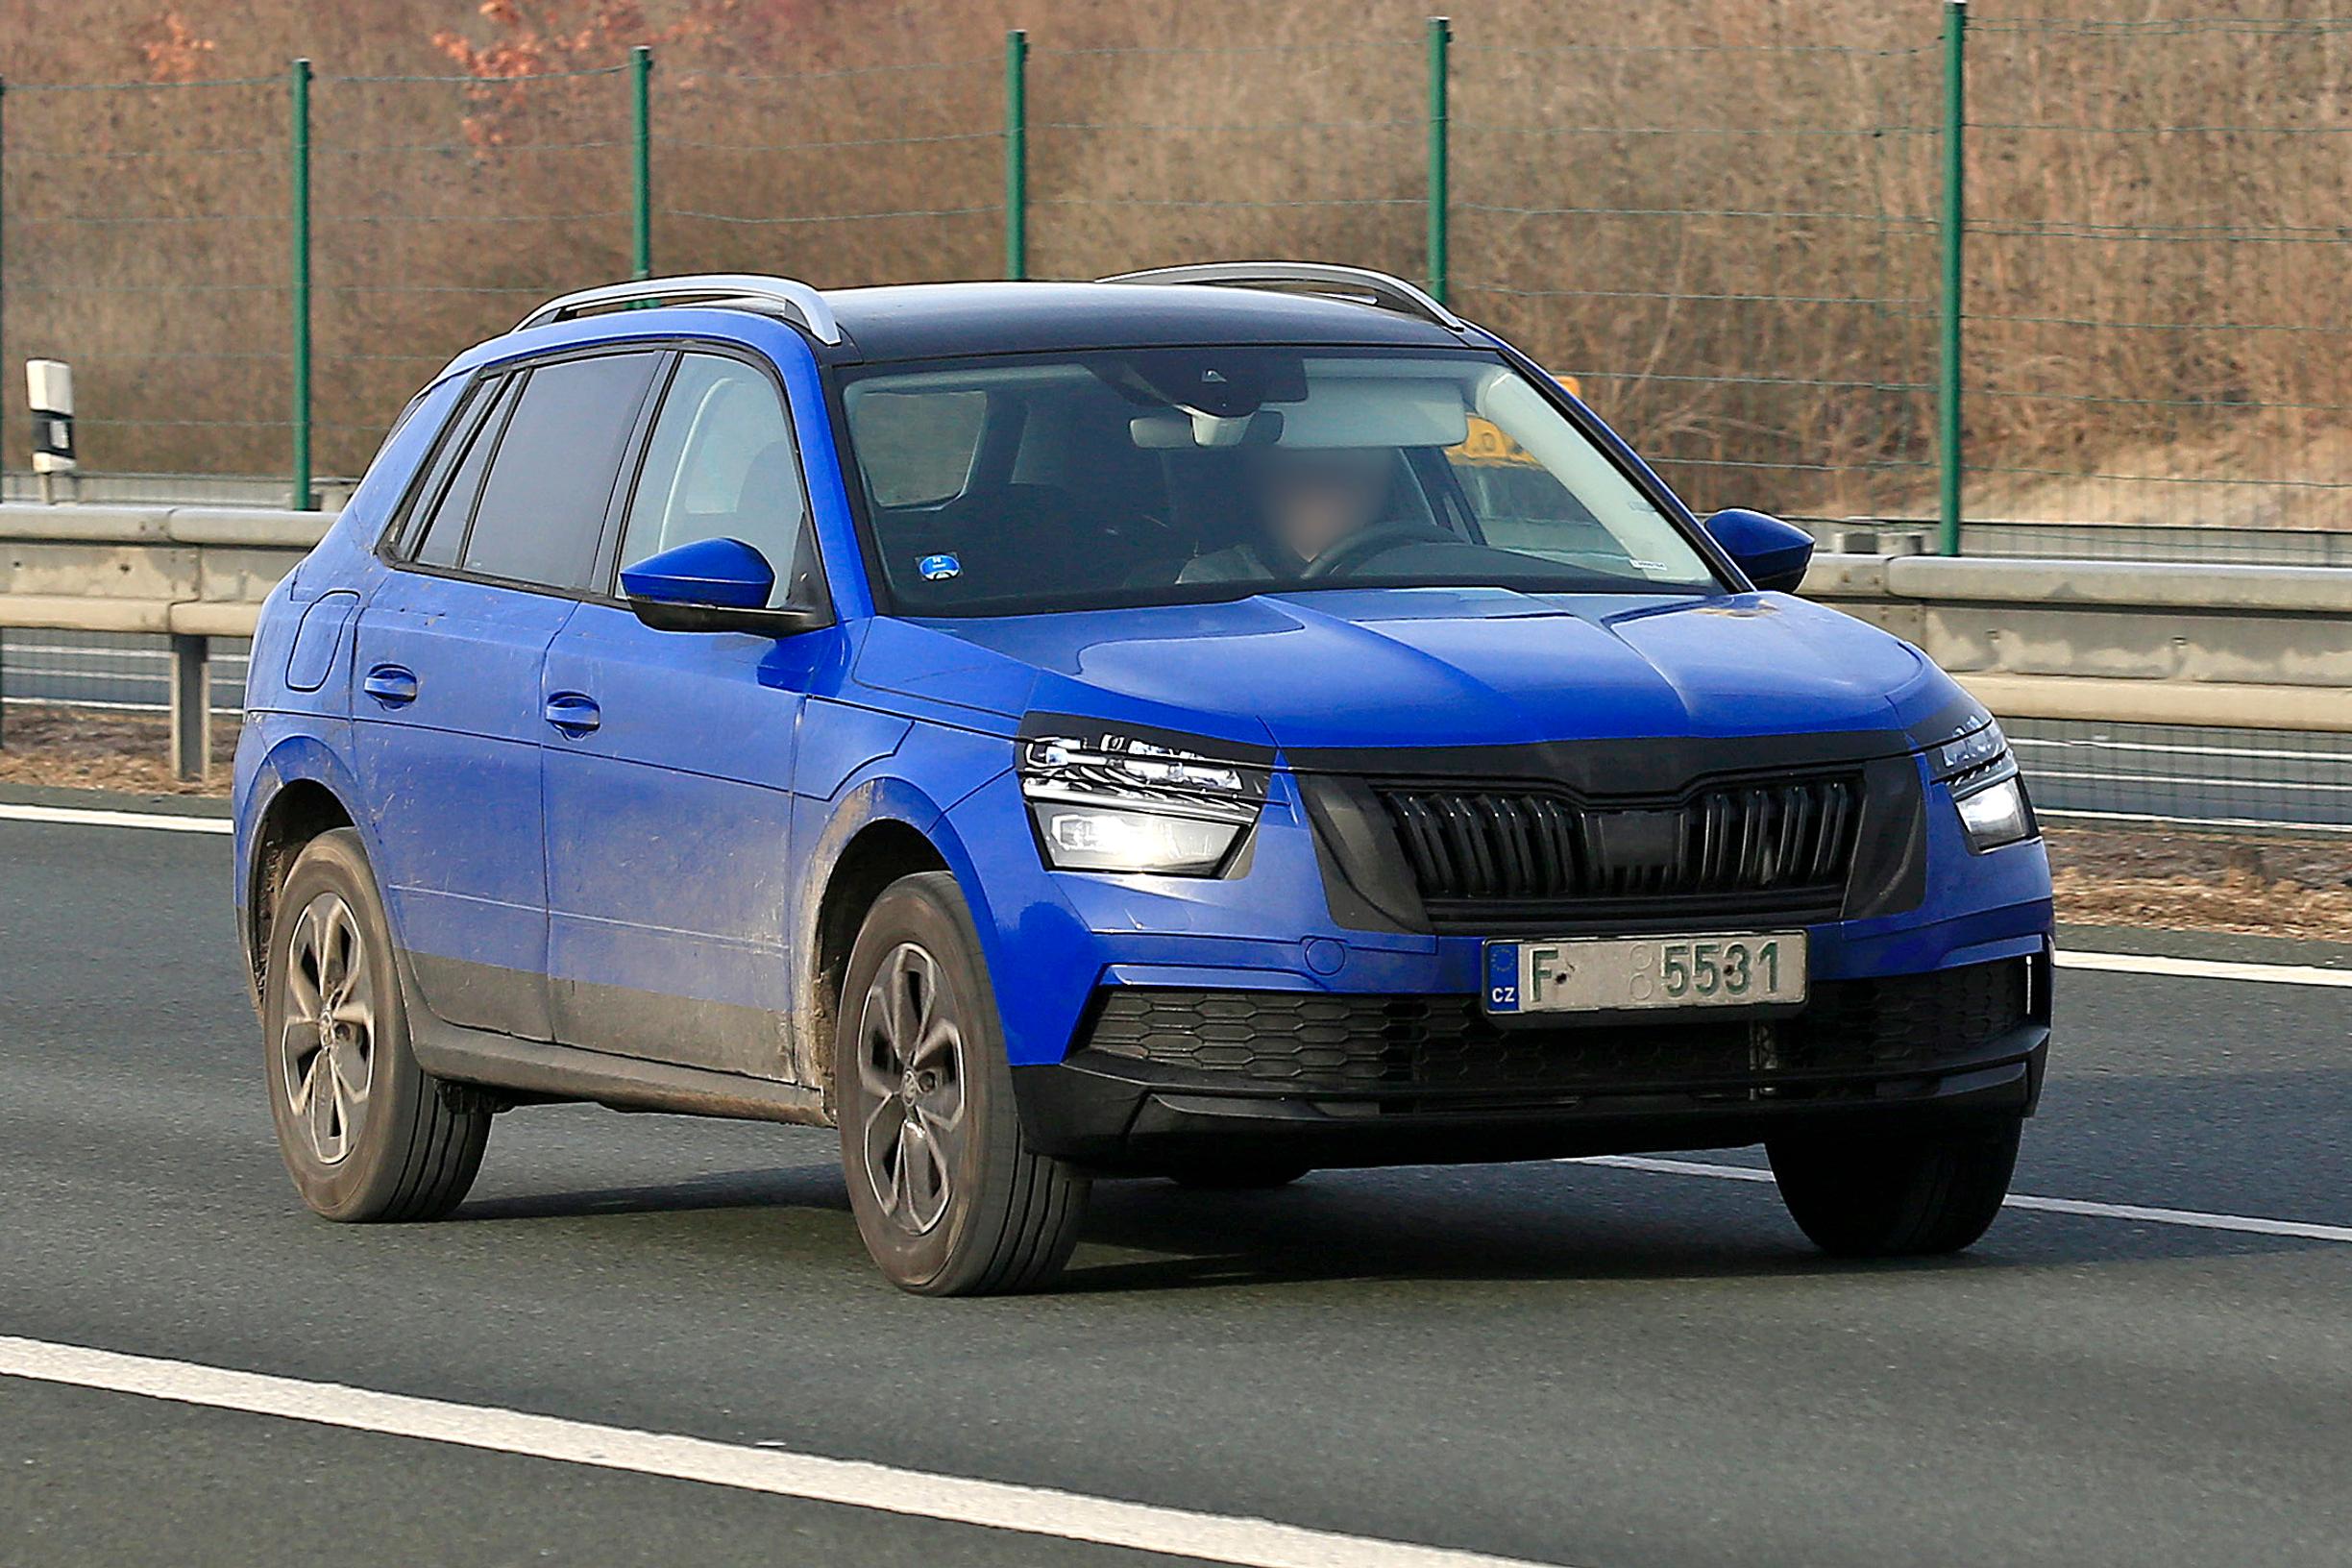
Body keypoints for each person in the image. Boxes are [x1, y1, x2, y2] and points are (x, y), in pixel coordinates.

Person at [1178, 446, 1451, 582]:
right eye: (1294, 471)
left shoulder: (1430, 575)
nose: (1322, 491)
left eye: (1347, 473)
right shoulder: (1213, 581)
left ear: (1384, 486)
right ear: (1253, 485)